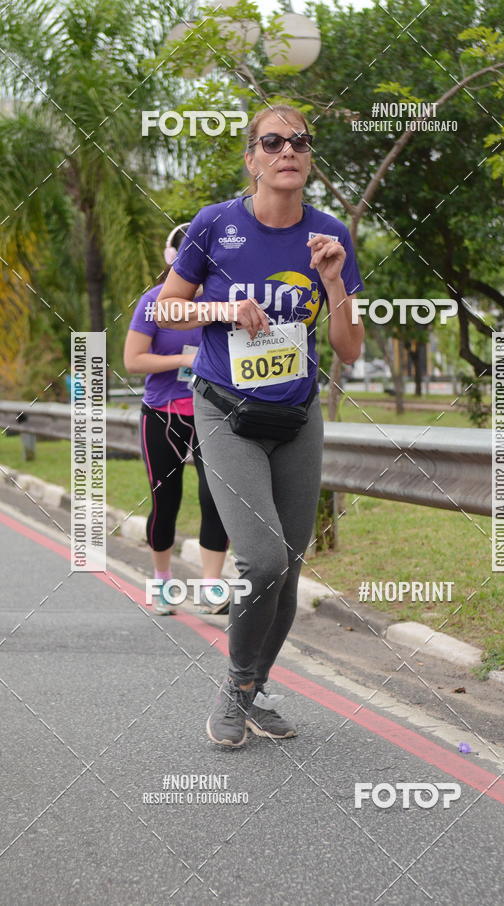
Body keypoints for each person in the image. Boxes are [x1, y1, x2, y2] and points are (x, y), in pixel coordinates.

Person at [155, 104, 364, 745]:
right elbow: (166, 307)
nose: (287, 151)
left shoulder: (329, 234)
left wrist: (332, 282)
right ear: (251, 157)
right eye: (272, 142)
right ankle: (237, 686)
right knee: (264, 558)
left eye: (299, 142)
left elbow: (350, 349)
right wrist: (222, 308)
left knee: (289, 570)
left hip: (297, 416)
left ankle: (248, 690)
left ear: (309, 158)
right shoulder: (215, 226)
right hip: (225, 411)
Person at [124, 224, 230, 616]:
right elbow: (134, 360)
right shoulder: (154, 302)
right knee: (165, 502)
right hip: (163, 414)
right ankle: (163, 580)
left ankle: (211, 585)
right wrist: (185, 360)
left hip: (214, 412)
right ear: (174, 260)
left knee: (216, 498)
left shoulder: (223, 303)